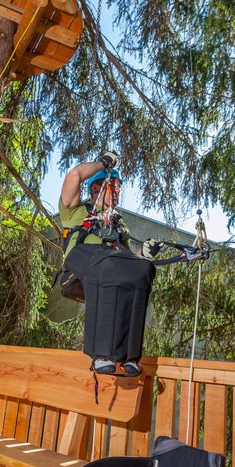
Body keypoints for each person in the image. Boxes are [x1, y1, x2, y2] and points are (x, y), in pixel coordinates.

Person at [58, 152, 161, 377]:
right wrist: (103, 163)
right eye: (113, 186)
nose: (117, 192)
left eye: (119, 189)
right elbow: (74, 175)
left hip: (108, 268)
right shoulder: (76, 211)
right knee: (106, 263)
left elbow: (127, 258)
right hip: (80, 266)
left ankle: (130, 356)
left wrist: (143, 254)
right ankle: (102, 354)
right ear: (96, 188)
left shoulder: (118, 225)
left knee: (143, 270)